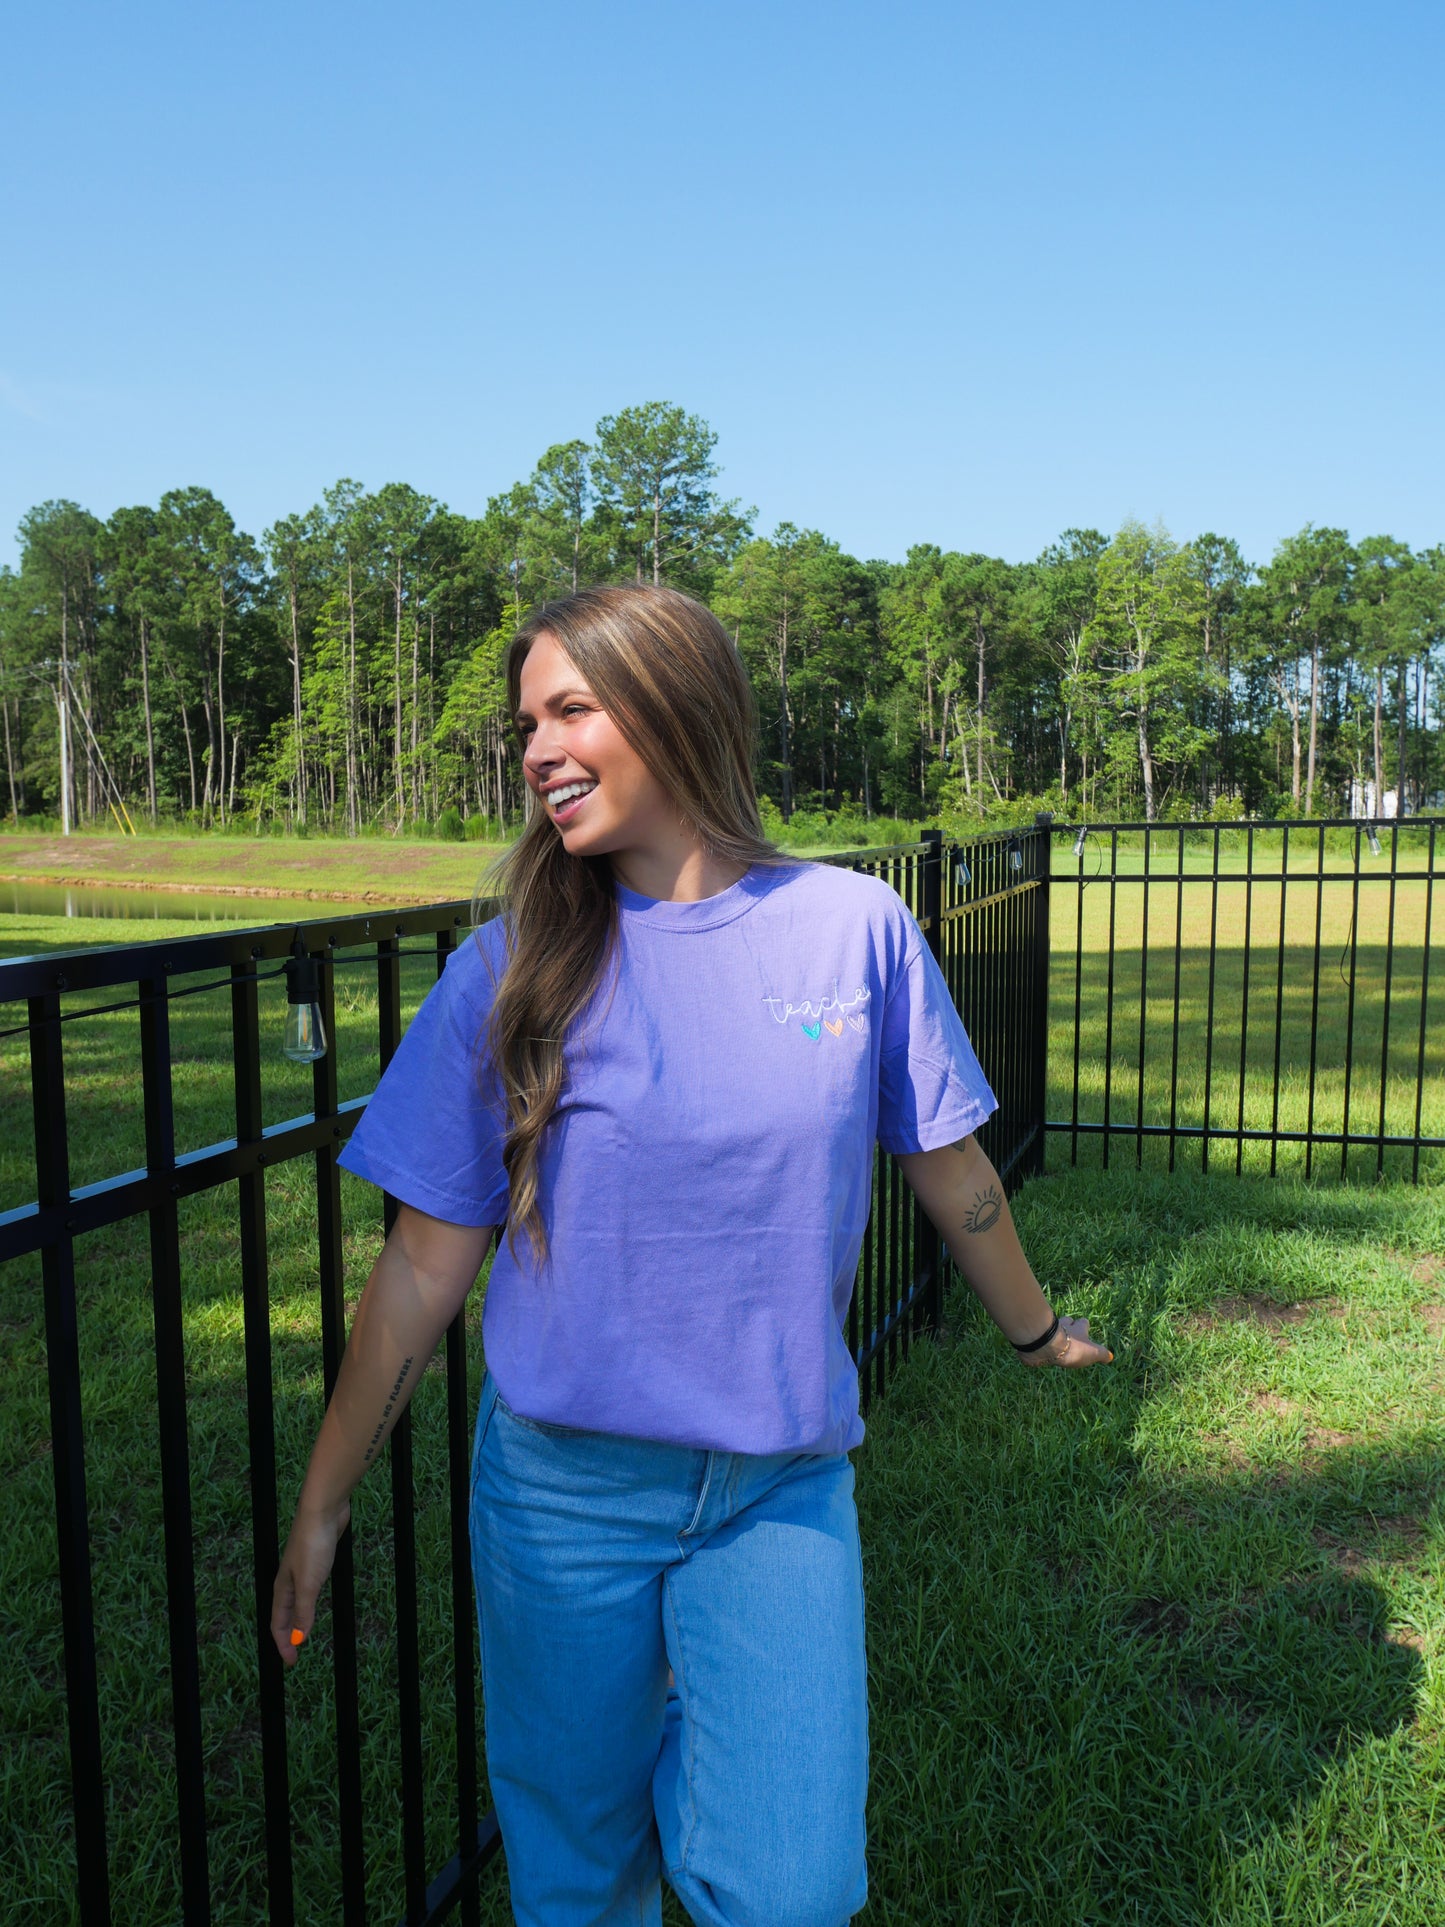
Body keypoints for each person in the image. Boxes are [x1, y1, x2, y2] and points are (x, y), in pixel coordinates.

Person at [271, 584, 1111, 1927]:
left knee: (790, 1889)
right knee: (578, 1875)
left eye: (570, 709)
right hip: (562, 1498)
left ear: (676, 702)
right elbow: (422, 1275)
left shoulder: (852, 931)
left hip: (777, 1489)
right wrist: (323, 1501)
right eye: (524, 723)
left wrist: (1034, 1330)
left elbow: (950, 1174)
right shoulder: (509, 971)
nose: (535, 748)